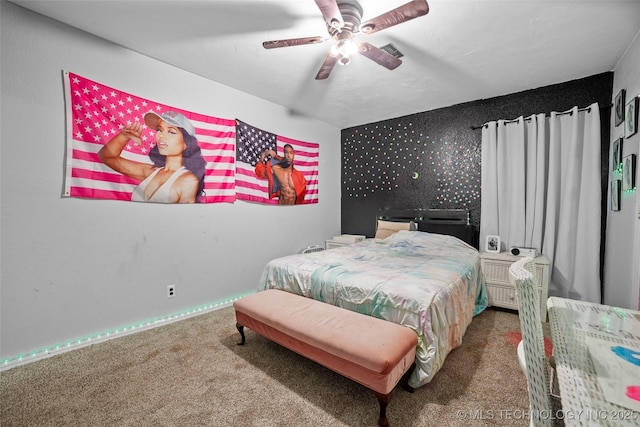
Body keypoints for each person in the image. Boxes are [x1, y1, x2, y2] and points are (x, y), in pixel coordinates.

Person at [98, 111, 206, 203]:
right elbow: (106, 156)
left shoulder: (188, 180)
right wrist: (124, 136)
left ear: (186, 144)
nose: (161, 135)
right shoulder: (151, 172)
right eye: (160, 129)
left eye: (171, 132)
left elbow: (183, 220)